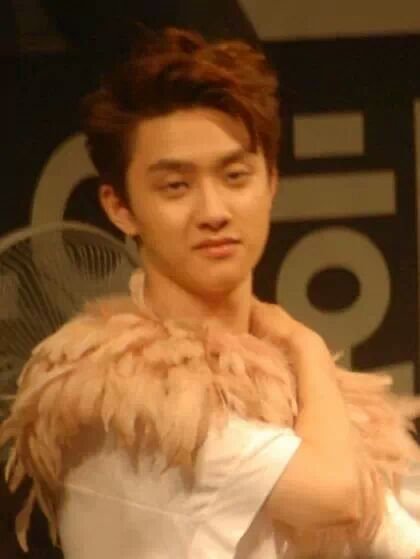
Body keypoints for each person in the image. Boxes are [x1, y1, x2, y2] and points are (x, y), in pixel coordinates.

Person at [1, 26, 420, 559]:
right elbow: (337, 496)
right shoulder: (117, 400)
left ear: (271, 182)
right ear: (119, 207)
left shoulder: (302, 387)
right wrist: (307, 346)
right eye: (176, 186)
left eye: (235, 176)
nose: (213, 211)